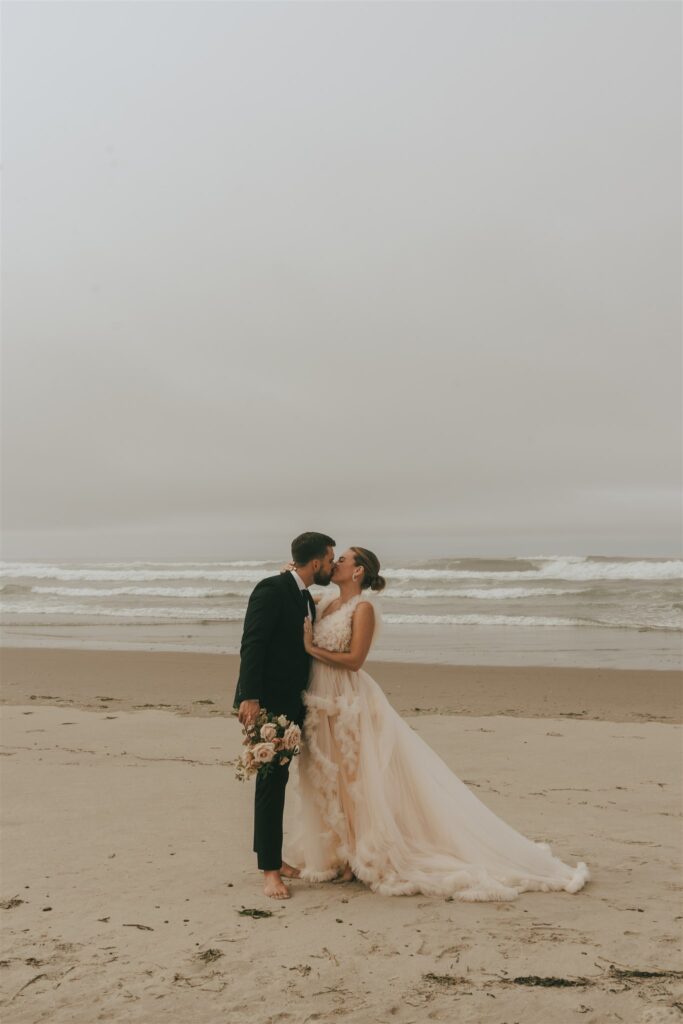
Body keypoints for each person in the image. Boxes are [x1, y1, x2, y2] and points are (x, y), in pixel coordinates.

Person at [284, 546, 590, 901]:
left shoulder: (363, 609)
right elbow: (298, 587)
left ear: (358, 572)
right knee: (329, 775)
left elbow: (354, 661)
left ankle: (360, 856)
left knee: (356, 779)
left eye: (344, 559)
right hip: (321, 698)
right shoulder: (325, 603)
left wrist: (311, 649)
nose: (336, 563)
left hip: (348, 700)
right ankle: (342, 850)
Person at [233, 531, 335, 899]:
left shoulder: (304, 595)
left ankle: (275, 858)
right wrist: (250, 697)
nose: (331, 564)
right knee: (270, 784)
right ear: (315, 562)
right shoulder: (271, 589)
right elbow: (252, 642)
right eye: (329, 558)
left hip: (295, 701)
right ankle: (270, 873)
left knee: (281, 780)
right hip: (267, 703)